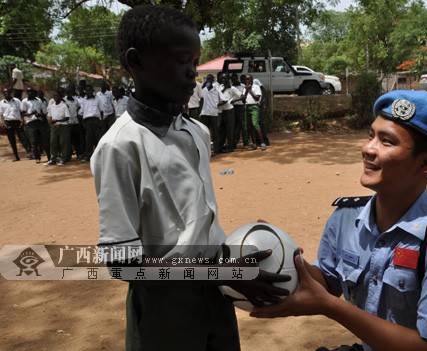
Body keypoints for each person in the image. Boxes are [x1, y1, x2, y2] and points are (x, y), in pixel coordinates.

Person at [90, 5, 288, 350]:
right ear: (136, 63)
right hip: (164, 309)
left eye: (195, 62)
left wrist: (229, 262)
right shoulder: (120, 147)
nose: (192, 74)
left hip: (217, 295)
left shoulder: (196, 131)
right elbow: (124, 266)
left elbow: (194, 223)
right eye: (181, 61)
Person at [251, 90, 427, 351]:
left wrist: (331, 308)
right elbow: (327, 284)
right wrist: (285, 254)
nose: (367, 149)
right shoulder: (347, 217)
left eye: (386, 141)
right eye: (370, 135)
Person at [0, 88, 31, 161]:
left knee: (23, 138)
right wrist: (4, 123)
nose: (6, 93)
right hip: (8, 122)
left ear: (10, 93)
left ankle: (29, 153)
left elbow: (22, 111)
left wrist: (22, 121)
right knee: (12, 140)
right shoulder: (1, 103)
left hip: (17, 121)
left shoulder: (17, 101)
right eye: (5, 92)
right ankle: (16, 156)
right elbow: (1, 115)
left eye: (8, 92)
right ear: (3, 94)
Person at [21, 88, 50, 163]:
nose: (30, 93)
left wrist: (39, 114)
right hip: (30, 123)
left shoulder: (39, 100)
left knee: (44, 139)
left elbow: (44, 111)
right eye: (28, 92)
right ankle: (37, 157)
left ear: (35, 93)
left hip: (39, 121)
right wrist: (31, 113)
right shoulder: (24, 101)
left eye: (32, 92)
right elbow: (23, 113)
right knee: (33, 141)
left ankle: (49, 156)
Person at [200, 74, 226, 155]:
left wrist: (217, 105)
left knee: (215, 132)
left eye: (210, 79)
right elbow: (199, 100)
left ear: (213, 80)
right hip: (204, 113)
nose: (208, 81)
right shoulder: (203, 90)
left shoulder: (216, 90)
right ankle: (206, 150)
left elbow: (225, 100)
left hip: (213, 113)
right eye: (207, 79)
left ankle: (216, 150)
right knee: (204, 132)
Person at [45, 91, 71, 166]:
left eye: (57, 96)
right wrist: (51, 122)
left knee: (63, 143)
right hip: (54, 126)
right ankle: (53, 159)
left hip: (63, 126)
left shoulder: (64, 106)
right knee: (53, 142)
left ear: (61, 97)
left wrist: (58, 121)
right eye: (54, 96)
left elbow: (67, 117)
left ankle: (64, 159)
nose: (56, 97)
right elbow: (49, 116)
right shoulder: (52, 106)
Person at [218, 72, 241, 153]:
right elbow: (219, 95)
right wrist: (225, 88)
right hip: (221, 111)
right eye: (222, 78)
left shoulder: (232, 88)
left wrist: (234, 100)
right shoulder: (220, 87)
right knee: (221, 130)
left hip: (229, 111)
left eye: (225, 78)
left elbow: (242, 96)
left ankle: (230, 147)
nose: (223, 80)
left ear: (228, 79)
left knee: (229, 129)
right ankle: (220, 147)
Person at [242, 74, 266, 151]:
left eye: (249, 79)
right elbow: (243, 100)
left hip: (254, 106)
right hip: (247, 106)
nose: (247, 81)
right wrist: (246, 91)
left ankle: (262, 143)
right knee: (249, 126)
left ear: (252, 80)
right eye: (246, 80)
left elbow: (257, 98)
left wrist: (250, 90)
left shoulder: (256, 87)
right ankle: (254, 143)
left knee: (255, 123)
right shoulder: (244, 88)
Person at [80, 85, 102, 162]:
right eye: (87, 90)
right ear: (85, 92)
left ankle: (99, 155)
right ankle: (88, 156)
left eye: (90, 90)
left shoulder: (97, 99)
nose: (89, 92)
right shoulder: (83, 101)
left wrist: (101, 121)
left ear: (93, 91)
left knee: (98, 138)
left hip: (96, 120)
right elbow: (82, 112)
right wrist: (83, 122)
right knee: (89, 139)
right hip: (87, 121)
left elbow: (101, 110)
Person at [64, 83, 83, 162]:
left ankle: (79, 154)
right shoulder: (64, 100)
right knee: (68, 140)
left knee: (77, 139)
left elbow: (79, 107)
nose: (70, 92)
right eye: (68, 91)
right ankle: (68, 156)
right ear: (66, 92)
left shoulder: (75, 100)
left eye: (71, 91)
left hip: (76, 122)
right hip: (68, 123)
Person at [230, 73, 245, 149]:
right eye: (232, 80)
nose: (233, 81)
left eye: (234, 79)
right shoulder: (230, 87)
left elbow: (244, 96)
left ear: (237, 78)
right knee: (234, 126)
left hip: (241, 107)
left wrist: (237, 100)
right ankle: (234, 143)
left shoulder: (242, 86)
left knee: (242, 125)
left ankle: (246, 143)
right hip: (233, 107)